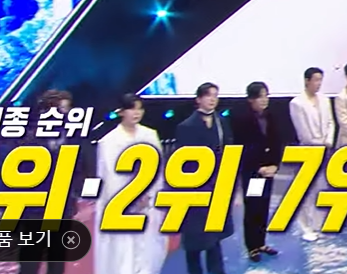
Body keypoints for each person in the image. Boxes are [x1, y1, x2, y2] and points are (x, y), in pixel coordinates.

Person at [94, 94, 167, 274]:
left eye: (139, 108)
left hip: (148, 203)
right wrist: (132, 198)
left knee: (150, 250)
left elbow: (158, 169)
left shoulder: (150, 135)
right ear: (121, 112)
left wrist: (148, 194)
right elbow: (110, 175)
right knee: (123, 252)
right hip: (120, 205)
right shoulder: (110, 141)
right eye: (131, 108)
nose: (136, 113)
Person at [20, 90, 86, 274]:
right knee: (30, 258)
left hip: (62, 204)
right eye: (61, 109)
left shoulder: (72, 137)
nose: (66, 113)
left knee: (57, 256)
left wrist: (72, 197)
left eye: (67, 109)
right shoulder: (29, 137)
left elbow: (78, 169)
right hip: (34, 207)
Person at [176, 83, 234, 274]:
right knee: (194, 239)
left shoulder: (221, 123)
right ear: (198, 99)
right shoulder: (186, 127)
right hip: (194, 189)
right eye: (208, 95)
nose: (212, 99)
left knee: (214, 237)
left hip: (218, 187)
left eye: (215, 95)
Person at [231, 82, 281, 262]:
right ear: (251, 99)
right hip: (254, 173)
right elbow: (242, 148)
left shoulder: (271, 116)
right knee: (253, 207)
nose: (264, 100)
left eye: (266, 96)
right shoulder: (241, 119)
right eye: (260, 96)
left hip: (268, 171)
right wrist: (258, 167)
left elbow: (277, 142)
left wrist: (275, 165)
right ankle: (252, 246)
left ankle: (261, 242)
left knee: (264, 207)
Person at [288, 68, 334, 242]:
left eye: (320, 80)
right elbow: (303, 131)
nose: (318, 83)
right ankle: (306, 227)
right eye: (315, 80)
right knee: (306, 189)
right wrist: (318, 143)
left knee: (322, 186)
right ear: (307, 81)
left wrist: (328, 141)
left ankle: (319, 225)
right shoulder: (297, 103)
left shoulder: (325, 100)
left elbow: (330, 123)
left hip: (324, 149)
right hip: (308, 150)